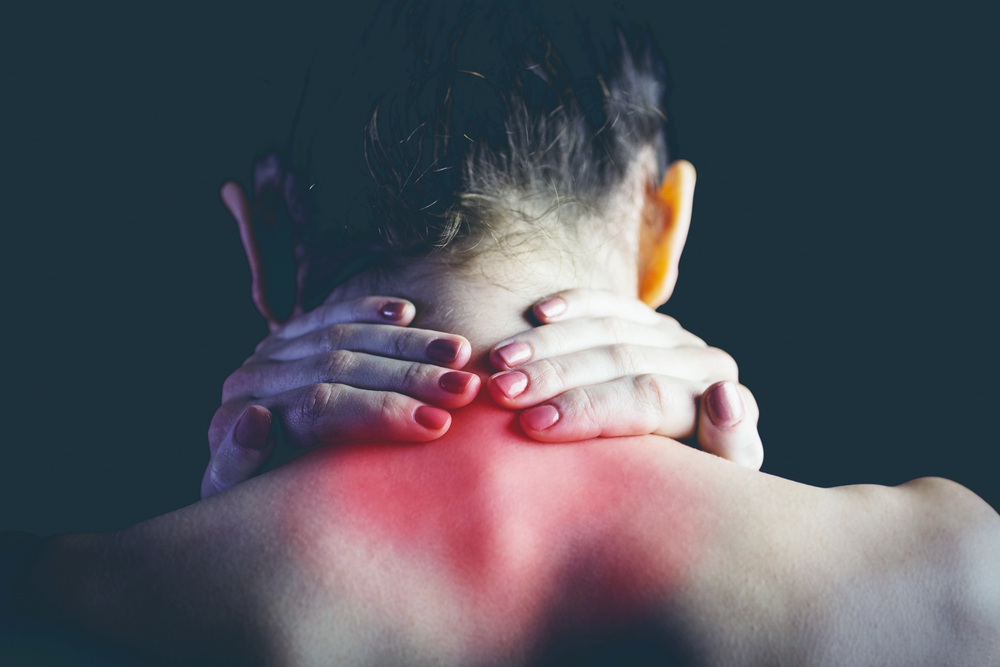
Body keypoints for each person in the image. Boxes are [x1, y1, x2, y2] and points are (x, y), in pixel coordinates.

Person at [4, 3, 998, 666]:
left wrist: (205, 549)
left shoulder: (62, 599)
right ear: (660, 230)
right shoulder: (954, 575)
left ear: (261, 243)